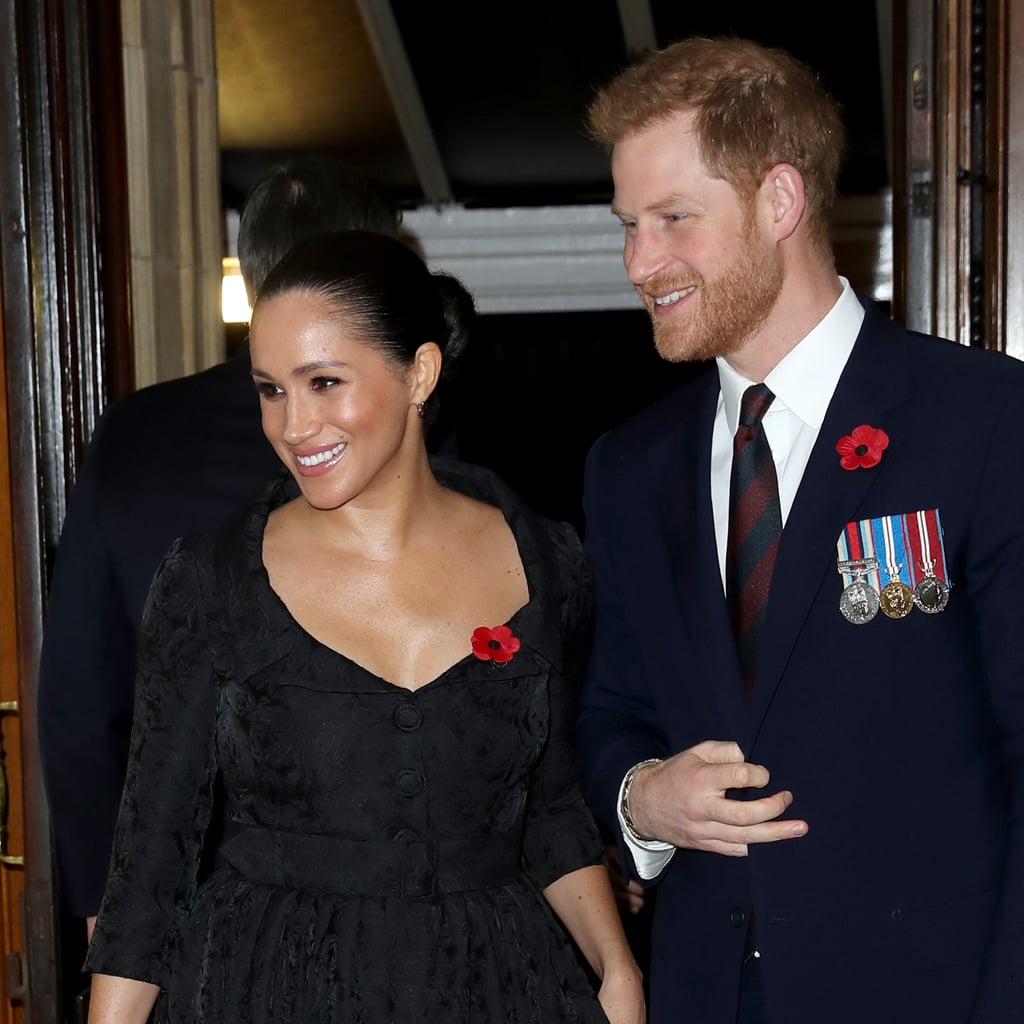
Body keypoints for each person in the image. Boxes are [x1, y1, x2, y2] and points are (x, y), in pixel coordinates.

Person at [82, 230, 645, 1024]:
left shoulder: (548, 564)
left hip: (492, 987)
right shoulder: (211, 580)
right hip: (267, 991)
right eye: (271, 390)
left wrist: (618, 973)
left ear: (420, 372)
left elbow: (550, 809)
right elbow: (150, 869)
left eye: (324, 382)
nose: (293, 425)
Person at [575, 35, 1024, 1024]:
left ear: (778, 202)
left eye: (671, 220)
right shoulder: (627, 466)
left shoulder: (986, 422)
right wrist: (640, 799)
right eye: (628, 226)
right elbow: (608, 708)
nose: (638, 262)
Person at [37, 155, 404, 945]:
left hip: (190, 902)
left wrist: (112, 909)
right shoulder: (410, 431)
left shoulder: (135, 436)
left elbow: (78, 698)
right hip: (392, 893)